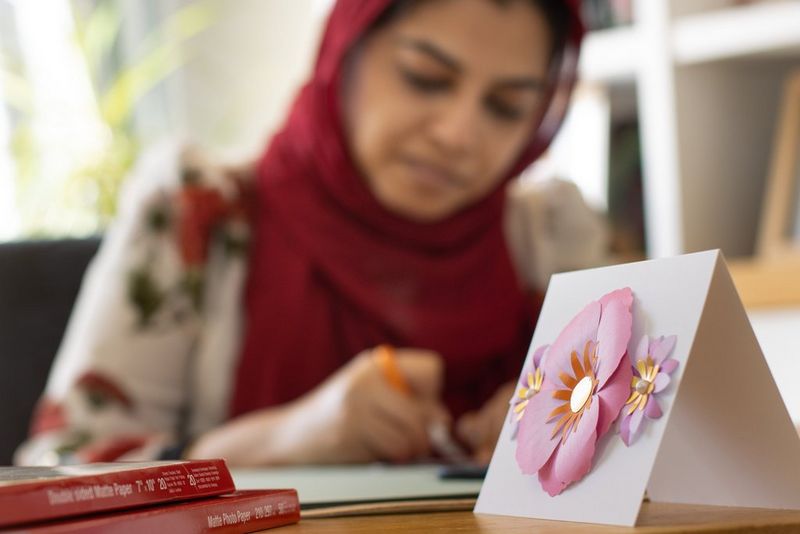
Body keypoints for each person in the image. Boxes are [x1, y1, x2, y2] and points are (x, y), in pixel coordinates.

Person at [15, 0, 606, 467]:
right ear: (342, 51)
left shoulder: (550, 238)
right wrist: (286, 438)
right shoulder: (195, 213)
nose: (459, 134)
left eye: (505, 106)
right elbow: (58, 469)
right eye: (425, 77)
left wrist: (577, 428)